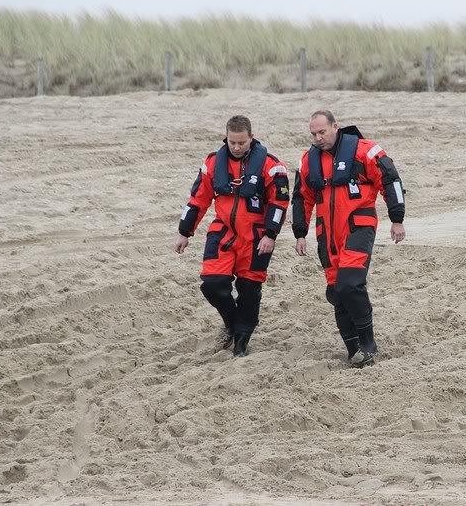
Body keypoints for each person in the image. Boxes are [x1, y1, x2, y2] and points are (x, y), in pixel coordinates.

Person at [291, 110, 406, 368]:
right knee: (336, 292)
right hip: (327, 234)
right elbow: (301, 197)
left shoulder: (365, 151)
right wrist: (300, 232)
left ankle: (368, 344)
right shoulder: (309, 161)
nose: (318, 138)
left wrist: (397, 218)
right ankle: (353, 349)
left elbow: (390, 180)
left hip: (359, 227)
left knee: (349, 285)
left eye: (322, 132)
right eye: (313, 134)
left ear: (336, 127)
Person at [174, 115, 290, 357]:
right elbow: (198, 199)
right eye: (232, 142)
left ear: (251, 138)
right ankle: (231, 322)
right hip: (223, 233)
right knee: (212, 285)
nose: (236, 147)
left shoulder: (272, 166)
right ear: (226, 138)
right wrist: (184, 232)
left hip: (256, 237)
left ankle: (241, 342)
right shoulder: (213, 163)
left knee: (249, 290)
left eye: (241, 143)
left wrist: (270, 235)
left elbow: (280, 203)